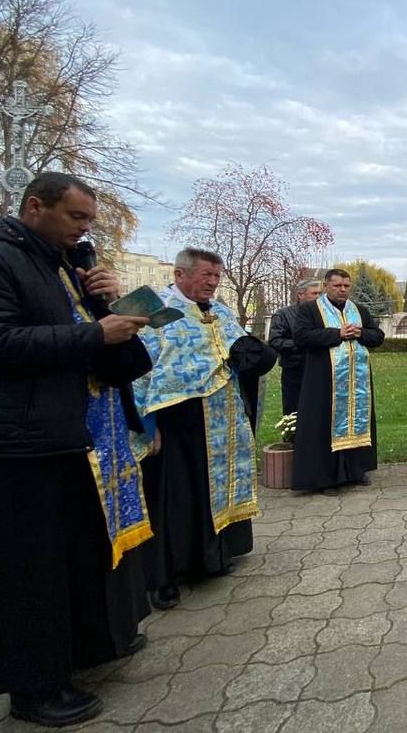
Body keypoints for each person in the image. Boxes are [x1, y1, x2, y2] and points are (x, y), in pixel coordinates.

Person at [0, 173, 154, 727]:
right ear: (36, 207)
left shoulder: (62, 267)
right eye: (76, 218)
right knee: (27, 571)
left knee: (71, 557)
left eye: (89, 222)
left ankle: (77, 653)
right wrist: (94, 336)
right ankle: (32, 688)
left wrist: (105, 305)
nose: (85, 230)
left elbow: (112, 356)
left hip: (61, 436)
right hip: (13, 444)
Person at [134, 248, 276, 610]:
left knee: (212, 489)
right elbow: (140, 372)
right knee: (176, 497)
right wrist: (146, 425)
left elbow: (236, 348)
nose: (212, 283)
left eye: (216, 276)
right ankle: (166, 577)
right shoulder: (155, 312)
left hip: (219, 419)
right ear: (181, 274)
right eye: (206, 276)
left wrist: (256, 355)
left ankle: (211, 558)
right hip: (176, 422)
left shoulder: (218, 309)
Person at [292, 268, 384, 495]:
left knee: (356, 421)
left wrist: (360, 333)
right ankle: (326, 479)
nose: (342, 290)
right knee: (324, 426)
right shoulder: (310, 310)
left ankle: (355, 471)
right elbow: (301, 337)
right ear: (326, 286)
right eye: (337, 286)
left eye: (346, 286)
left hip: (356, 383)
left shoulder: (359, 310)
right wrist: (337, 334)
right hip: (324, 382)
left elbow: (378, 337)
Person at [268, 278, 322, 414]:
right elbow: (275, 341)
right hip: (295, 371)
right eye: (314, 293)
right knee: (294, 411)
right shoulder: (283, 315)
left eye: (320, 294)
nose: (318, 297)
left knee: (318, 411)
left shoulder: (324, 314)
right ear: (300, 294)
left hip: (319, 369)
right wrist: (302, 343)